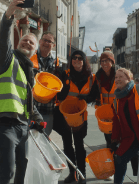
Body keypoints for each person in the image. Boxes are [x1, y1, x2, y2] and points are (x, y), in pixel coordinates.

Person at [0, 0, 44, 184]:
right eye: (25, 40)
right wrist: (9, 15)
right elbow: (2, 40)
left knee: (23, 169)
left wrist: (38, 119)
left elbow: (27, 100)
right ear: (19, 42)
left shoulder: (30, 71)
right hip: (3, 123)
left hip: (22, 125)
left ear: (35, 51)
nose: (27, 43)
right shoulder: (7, 59)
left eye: (31, 43)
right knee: (6, 171)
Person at [89, 51, 139, 182]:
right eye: (102, 61)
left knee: (132, 145)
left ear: (112, 62)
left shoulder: (120, 75)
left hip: (123, 115)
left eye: (107, 61)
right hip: (106, 117)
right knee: (111, 145)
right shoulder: (98, 77)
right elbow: (94, 95)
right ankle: (113, 170)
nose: (104, 64)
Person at [52, 50, 97, 183]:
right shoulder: (64, 74)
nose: (76, 60)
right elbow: (58, 94)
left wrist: (86, 97)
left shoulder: (91, 78)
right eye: (74, 58)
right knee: (67, 144)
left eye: (80, 58)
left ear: (84, 61)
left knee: (79, 145)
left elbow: (94, 96)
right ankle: (72, 173)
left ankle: (81, 174)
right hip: (64, 114)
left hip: (80, 115)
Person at [30, 31, 61, 135]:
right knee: (29, 138)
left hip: (48, 108)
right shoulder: (30, 57)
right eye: (44, 40)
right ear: (40, 41)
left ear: (53, 45)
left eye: (49, 41)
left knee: (44, 137)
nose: (46, 43)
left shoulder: (57, 62)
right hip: (31, 107)